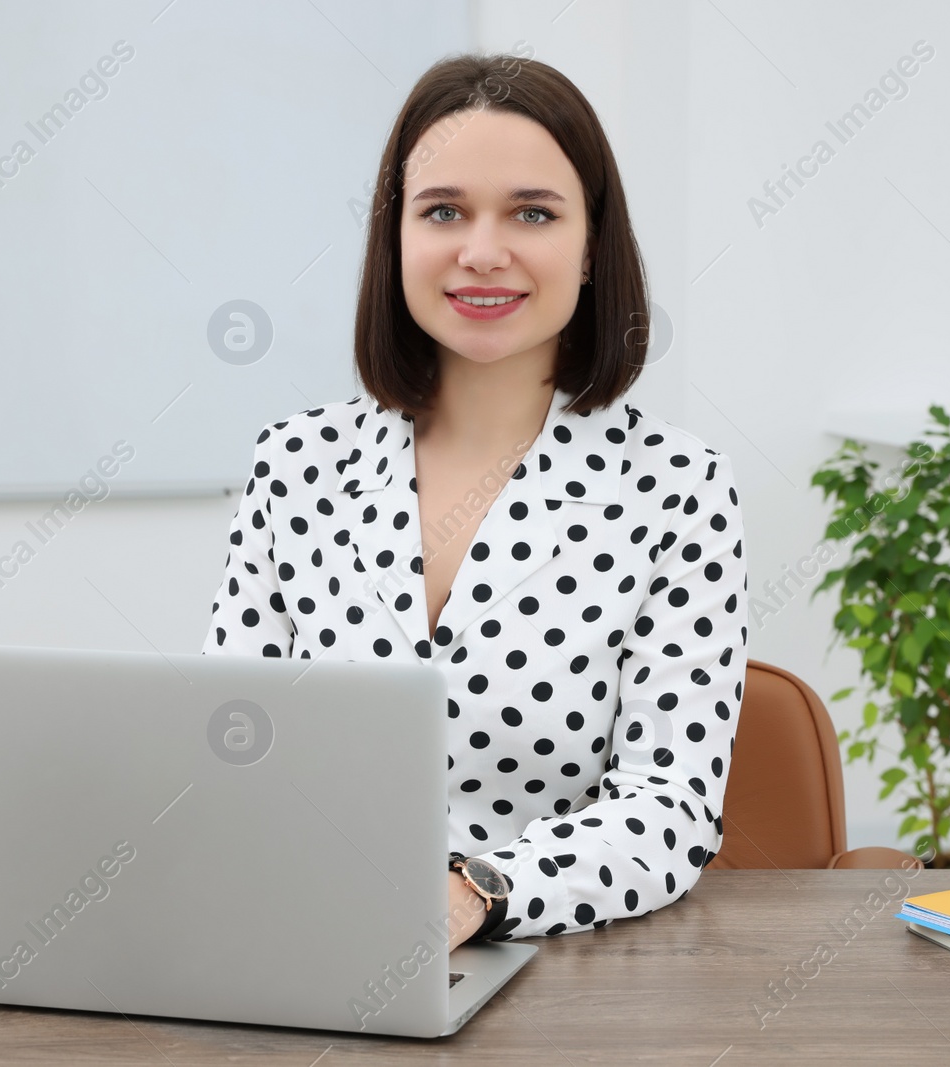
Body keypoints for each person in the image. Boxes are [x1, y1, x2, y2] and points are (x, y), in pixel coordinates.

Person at [202, 52, 748, 952]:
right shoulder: (295, 463)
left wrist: (479, 893)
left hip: (553, 963)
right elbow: (230, 756)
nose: (482, 250)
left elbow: (671, 806)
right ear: (396, 239)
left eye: (532, 212)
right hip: (308, 946)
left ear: (591, 246)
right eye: (443, 211)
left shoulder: (678, 490)